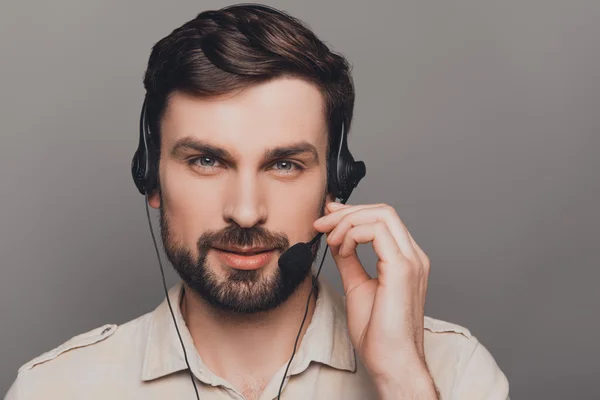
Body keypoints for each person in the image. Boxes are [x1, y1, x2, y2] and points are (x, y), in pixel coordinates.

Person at [4, 4, 509, 400]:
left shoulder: (451, 374)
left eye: (284, 165)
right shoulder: (54, 390)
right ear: (149, 175)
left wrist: (402, 381)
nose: (246, 212)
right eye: (206, 161)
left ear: (336, 183)